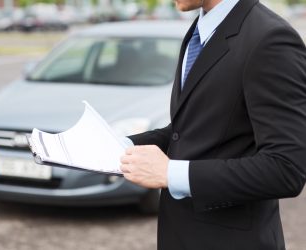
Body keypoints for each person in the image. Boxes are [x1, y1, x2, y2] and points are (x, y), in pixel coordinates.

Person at [120, 0, 306, 249]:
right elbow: (188, 129)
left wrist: (170, 173)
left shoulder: (271, 39)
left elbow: (286, 169)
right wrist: (118, 145)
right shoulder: (199, 29)